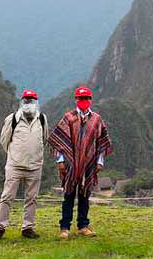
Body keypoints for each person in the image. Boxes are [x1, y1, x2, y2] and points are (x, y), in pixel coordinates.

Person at [48, 86, 112, 239]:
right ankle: (64, 227)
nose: (84, 101)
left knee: (84, 195)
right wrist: (60, 161)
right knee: (69, 195)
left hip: (89, 164)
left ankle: (83, 226)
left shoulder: (96, 119)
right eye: (81, 98)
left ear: (90, 100)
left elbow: (102, 142)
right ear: (76, 99)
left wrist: (100, 162)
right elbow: (59, 141)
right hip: (70, 164)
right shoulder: (68, 118)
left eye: (86, 98)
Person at [0, 90, 48, 242]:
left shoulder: (41, 118)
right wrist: (14, 155)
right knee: (7, 197)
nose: (29, 104)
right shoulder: (13, 118)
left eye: (32, 101)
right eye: (26, 101)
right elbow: (4, 140)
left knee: (32, 198)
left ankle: (28, 228)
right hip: (15, 166)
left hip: (35, 166)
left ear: (36, 103)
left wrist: (35, 155)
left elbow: (44, 138)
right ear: (22, 102)